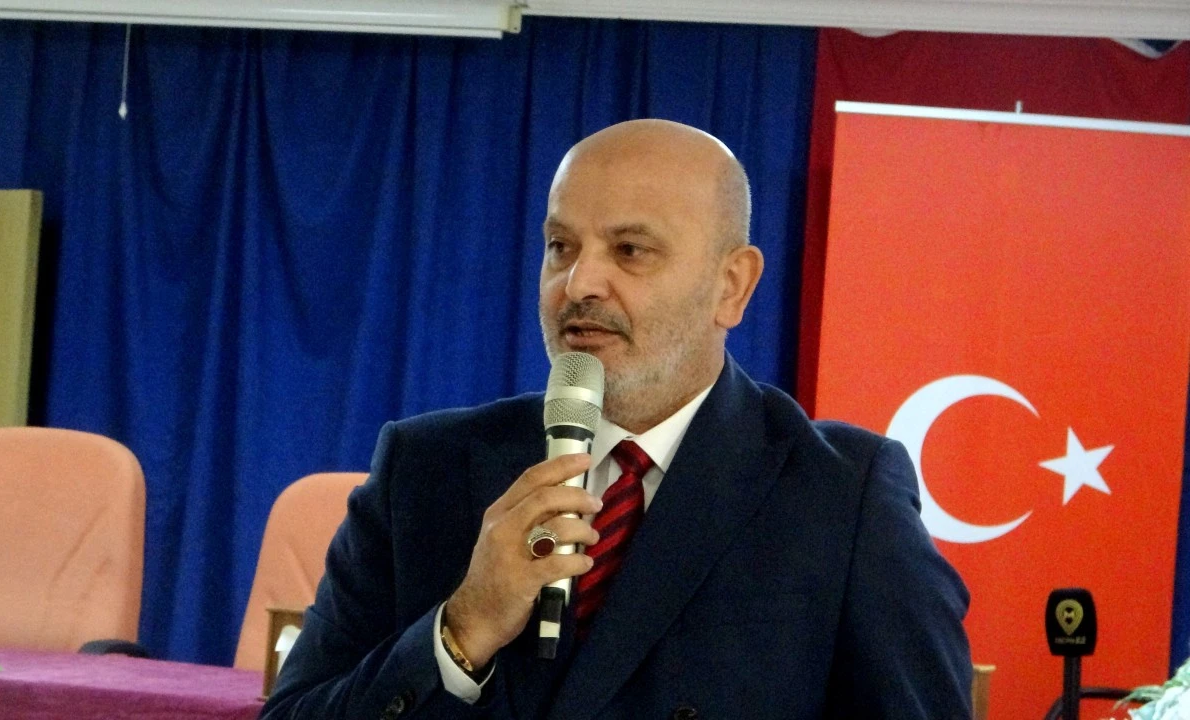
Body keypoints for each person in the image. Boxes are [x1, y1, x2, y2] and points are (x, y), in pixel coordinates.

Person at [260, 120, 973, 720]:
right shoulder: (424, 468)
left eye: (630, 251)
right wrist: (462, 629)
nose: (579, 283)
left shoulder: (842, 499)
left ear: (732, 286)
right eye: (560, 247)